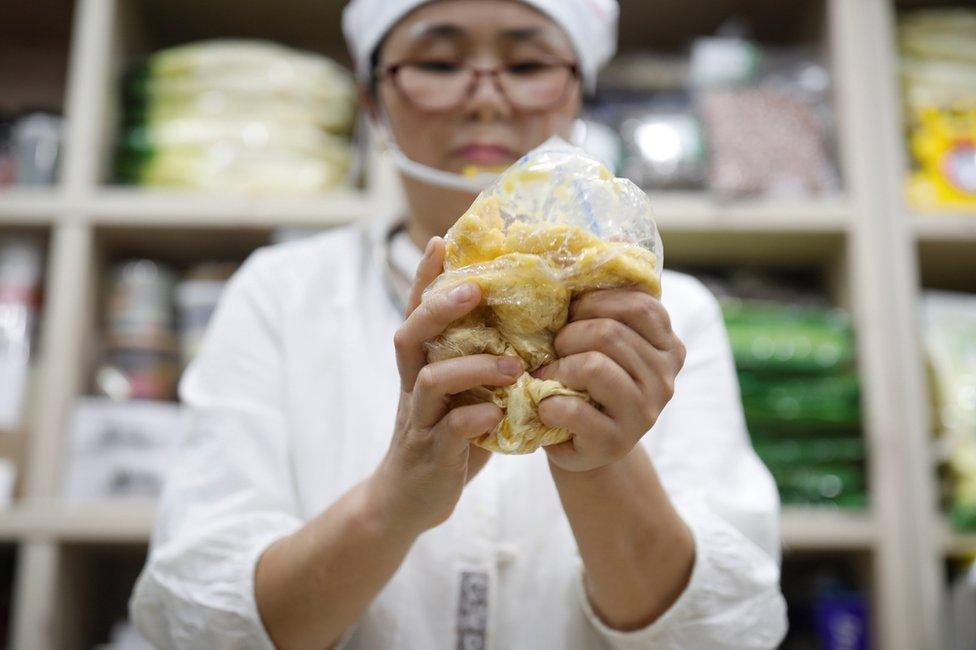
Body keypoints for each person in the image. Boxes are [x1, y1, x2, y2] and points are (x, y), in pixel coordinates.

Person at [130, 1, 788, 648]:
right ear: (371, 100)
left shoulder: (664, 316)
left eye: (527, 62)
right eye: (439, 63)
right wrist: (395, 501)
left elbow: (724, 632)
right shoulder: (281, 294)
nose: (486, 99)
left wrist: (599, 464)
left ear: (578, 91)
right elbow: (202, 623)